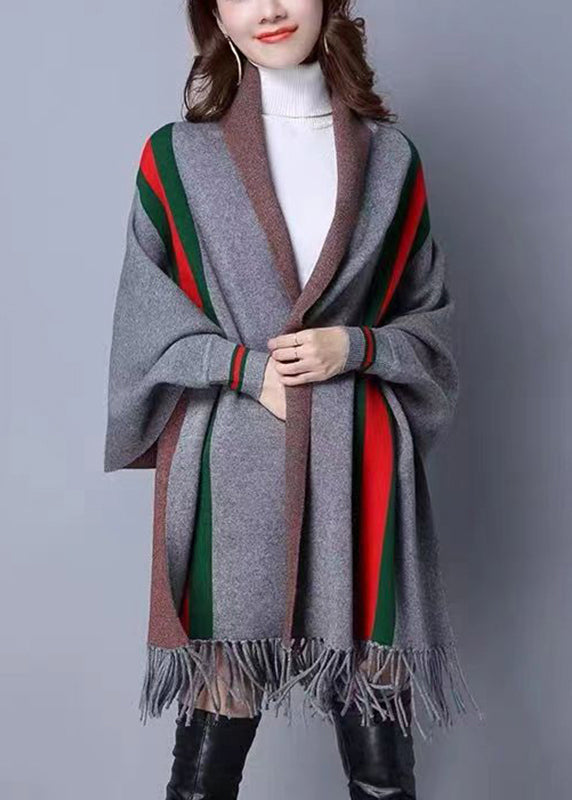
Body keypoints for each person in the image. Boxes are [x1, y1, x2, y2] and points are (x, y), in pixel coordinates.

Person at [104, 1, 483, 798]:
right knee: (210, 748)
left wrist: (359, 346)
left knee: (382, 759)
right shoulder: (178, 159)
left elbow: (432, 326)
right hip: (234, 471)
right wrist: (242, 367)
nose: (270, 9)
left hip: (360, 468)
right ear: (215, 14)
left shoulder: (390, 159)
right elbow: (144, 321)